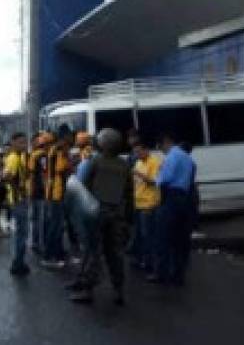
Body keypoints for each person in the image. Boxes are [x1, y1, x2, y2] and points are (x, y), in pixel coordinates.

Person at [70, 129, 133, 305]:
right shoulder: (124, 164)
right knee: (115, 254)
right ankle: (118, 291)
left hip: (96, 213)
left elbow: (82, 187)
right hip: (117, 214)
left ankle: (88, 290)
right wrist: (129, 217)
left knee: (93, 251)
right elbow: (129, 193)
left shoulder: (94, 161)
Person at [152, 133, 197, 287]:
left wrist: (157, 179)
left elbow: (165, 178)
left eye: (160, 147)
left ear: (166, 142)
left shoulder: (172, 156)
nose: (161, 151)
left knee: (163, 237)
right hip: (185, 199)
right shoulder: (187, 158)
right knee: (181, 240)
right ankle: (178, 275)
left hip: (171, 197)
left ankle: (162, 273)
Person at [41, 125, 74, 268]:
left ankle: (59, 254)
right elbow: (62, 169)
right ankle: (49, 257)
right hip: (55, 193)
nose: (72, 138)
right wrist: (71, 164)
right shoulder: (59, 150)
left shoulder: (57, 149)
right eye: (70, 136)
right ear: (64, 136)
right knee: (55, 226)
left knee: (59, 226)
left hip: (57, 192)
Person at [130, 140, 162, 273]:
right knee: (139, 235)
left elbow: (153, 181)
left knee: (148, 235)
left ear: (146, 150)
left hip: (149, 204)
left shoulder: (154, 162)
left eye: (138, 152)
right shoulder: (138, 162)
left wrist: (138, 174)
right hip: (138, 203)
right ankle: (143, 260)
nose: (136, 155)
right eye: (135, 152)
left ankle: (152, 265)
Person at [3, 132, 31, 276]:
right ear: (13, 143)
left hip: (18, 199)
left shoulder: (18, 156)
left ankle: (19, 262)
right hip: (18, 200)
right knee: (21, 233)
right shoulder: (14, 157)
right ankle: (17, 263)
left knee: (21, 232)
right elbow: (7, 176)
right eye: (20, 142)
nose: (24, 145)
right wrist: (18, 190)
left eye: (24, 142)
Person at [28, 131, 51, 255]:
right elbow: (42, 174)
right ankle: (41, 244)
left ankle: (36, 243)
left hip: (35, 190)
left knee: (36, 218)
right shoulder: (42, 155)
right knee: (41, 219)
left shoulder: (35, 154)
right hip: (40, 191)